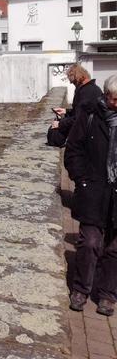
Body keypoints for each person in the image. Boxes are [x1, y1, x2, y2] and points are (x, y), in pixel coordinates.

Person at [64, 73, 117, 315]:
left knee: (114, 248)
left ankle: (107, 295)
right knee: (90, 243)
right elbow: (73, 149)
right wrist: (82, 180)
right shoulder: (91, 114)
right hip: (93, 189)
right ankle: (81, 290)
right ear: (107, 97)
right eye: (116, 99)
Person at [53, 64, 102, 134]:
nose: (71, 84)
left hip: (91, 133)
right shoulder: (92, 88)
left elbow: (80, 118)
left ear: (77, 79)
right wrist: (66, 111)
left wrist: (60, 124)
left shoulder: (86, 92)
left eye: (73, 82)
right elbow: (82, 111)